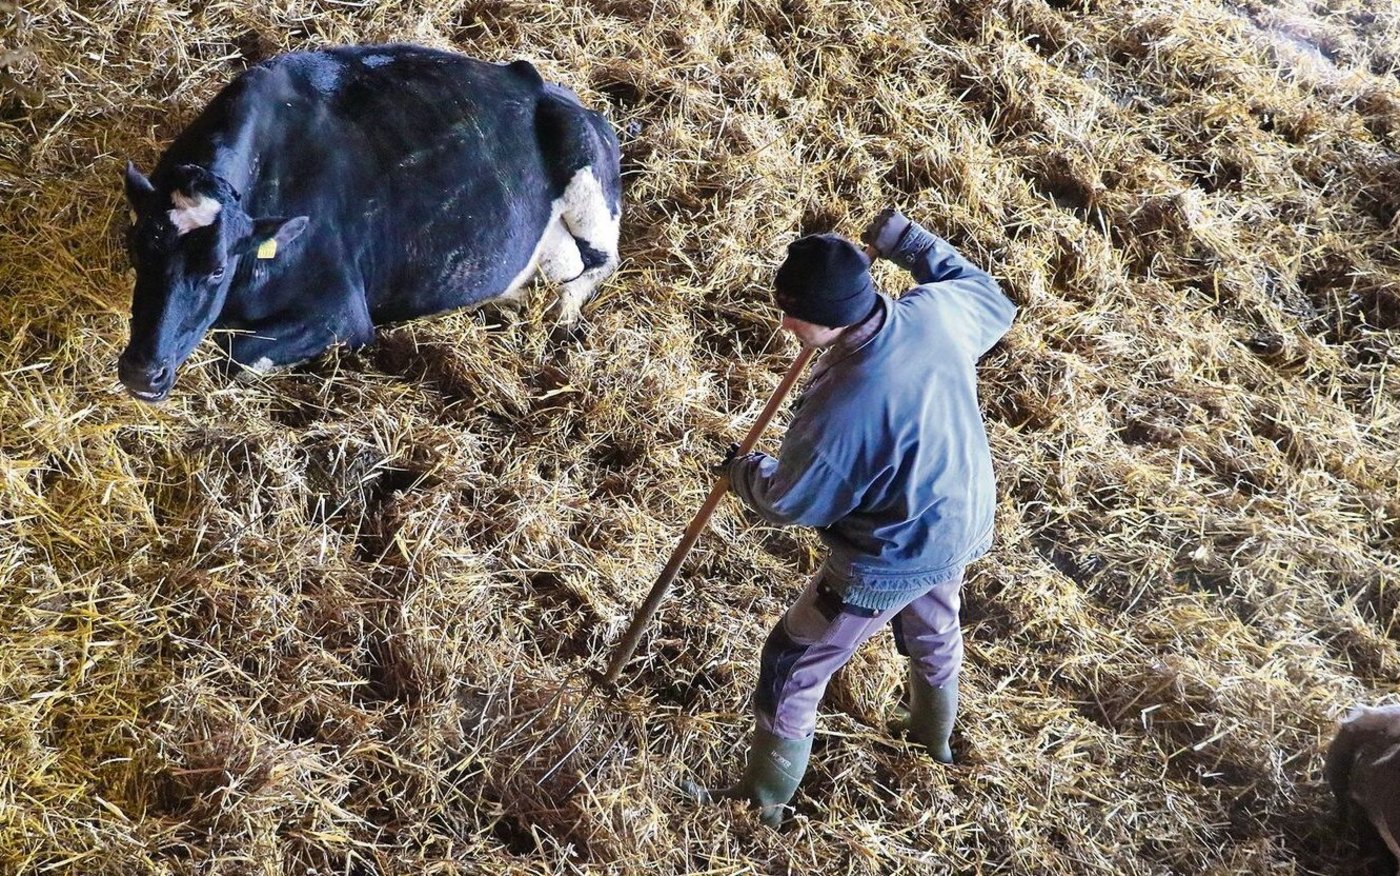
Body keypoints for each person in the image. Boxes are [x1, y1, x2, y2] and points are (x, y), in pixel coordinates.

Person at [685, 209, 1017, 827]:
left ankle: (761, 806)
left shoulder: (845, 403)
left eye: (795, 313)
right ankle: (932, 742)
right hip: (959, 515)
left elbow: (793, 501)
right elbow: (988, 296)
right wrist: (911, 243)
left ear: (833, 315)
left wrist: (742, 474)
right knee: (934, 629)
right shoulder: (933, 314)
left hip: (889, 552)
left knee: (791, 663)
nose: (784, 322)